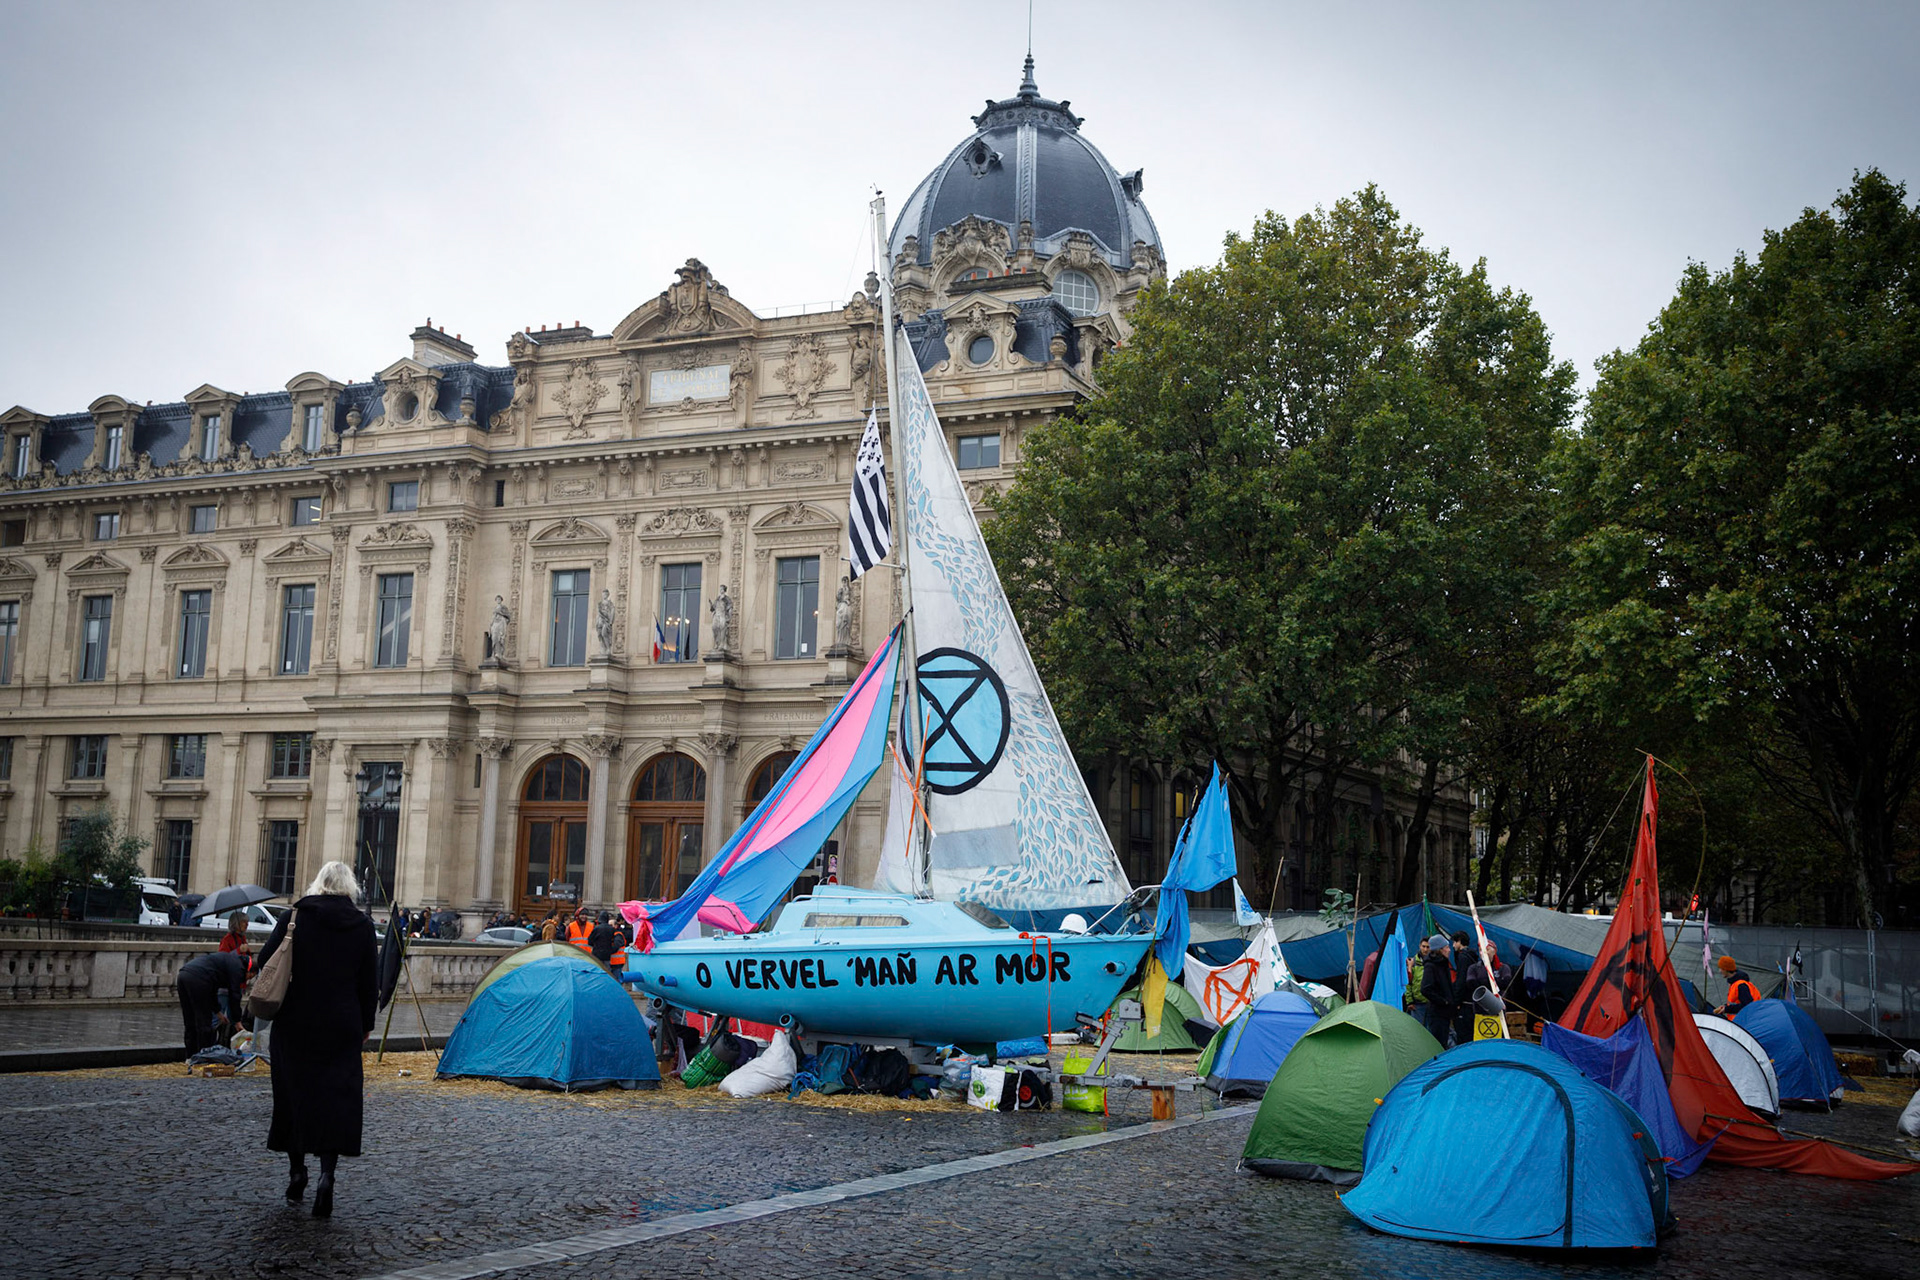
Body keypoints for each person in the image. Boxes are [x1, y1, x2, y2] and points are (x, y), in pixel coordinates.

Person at [255, 860, 377, 1219]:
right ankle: (327, 1176)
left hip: (296, 1021)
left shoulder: (295, 917)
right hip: (341, 1024)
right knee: (334, 1101)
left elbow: (267, 960)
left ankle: (297, 1172)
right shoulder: (362, 925)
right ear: (349, 888)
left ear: (319, 883)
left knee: (296, 1096)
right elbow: (369, 985)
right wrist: (365, 1024)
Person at [176, 949, 248, 1056]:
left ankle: (190, 1056)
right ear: (250, 970)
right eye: (250, 976)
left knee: (189, 1020)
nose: (247, 980)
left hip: (183, 975)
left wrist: (218, 1012)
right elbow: (235, 995)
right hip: (199, 979)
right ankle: (204, 1056)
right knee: (204, 1023)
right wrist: (237, 1020)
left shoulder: (225, 961)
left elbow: (212, 991)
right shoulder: (238, 968)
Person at [1418, 934, 1456, 1046]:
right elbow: (1425, 989)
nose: (1449, 950)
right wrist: (1443, 1001)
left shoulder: (1443, 964)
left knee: (1445, 1040)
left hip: (1445, 1012)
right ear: (1440, 949)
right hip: (1437, 1013)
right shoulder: (1431, 966)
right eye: (1447, 947)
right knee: (1439, 1043)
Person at [1407, 936, 1430, 1027]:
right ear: (1420, 946)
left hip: (1431, 1003)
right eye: (1423, 946)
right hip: (1417, 1004)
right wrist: (1409, 1001)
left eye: (1428, 947)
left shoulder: (1433, 962)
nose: (1425, 949)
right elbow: (1408, 983)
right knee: (1417, 1028)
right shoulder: (1413, 963)